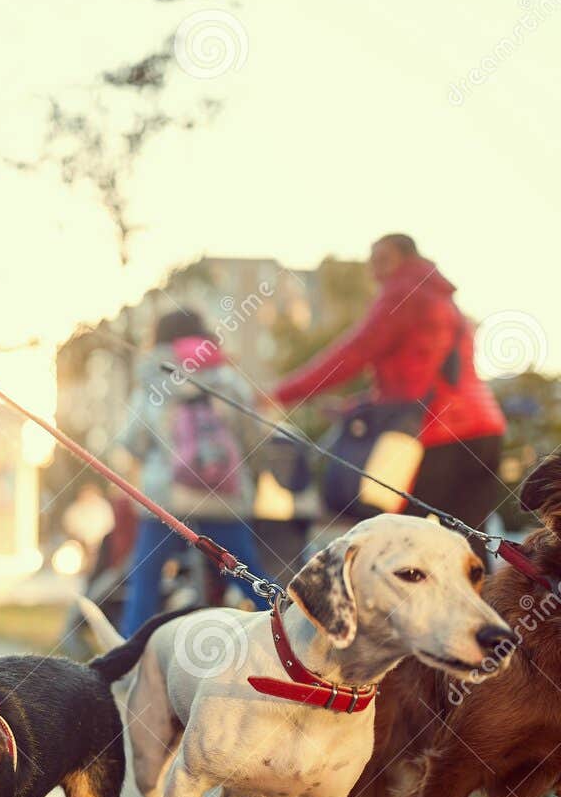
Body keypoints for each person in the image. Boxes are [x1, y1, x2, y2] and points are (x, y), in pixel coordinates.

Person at [273, 234, 507, 532]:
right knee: (468, 537)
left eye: (381, 260)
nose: (374, 271)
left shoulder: (403, 293)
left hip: (441, 432)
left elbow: (354, 352)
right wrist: (355, 406)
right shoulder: (444, 301)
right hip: (486, 429)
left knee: (400, 532)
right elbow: (423, 377)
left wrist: (283, 394)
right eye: (371, 262)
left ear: (405, 257)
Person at [116, 309, 271, 637]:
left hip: (166, 501)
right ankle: (291, 641)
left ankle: (128, 659)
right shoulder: (228, 379)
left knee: (145, 580)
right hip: (223, 497)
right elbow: (252, 437)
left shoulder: (153, 377)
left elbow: (134, 442)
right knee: (249, 575)